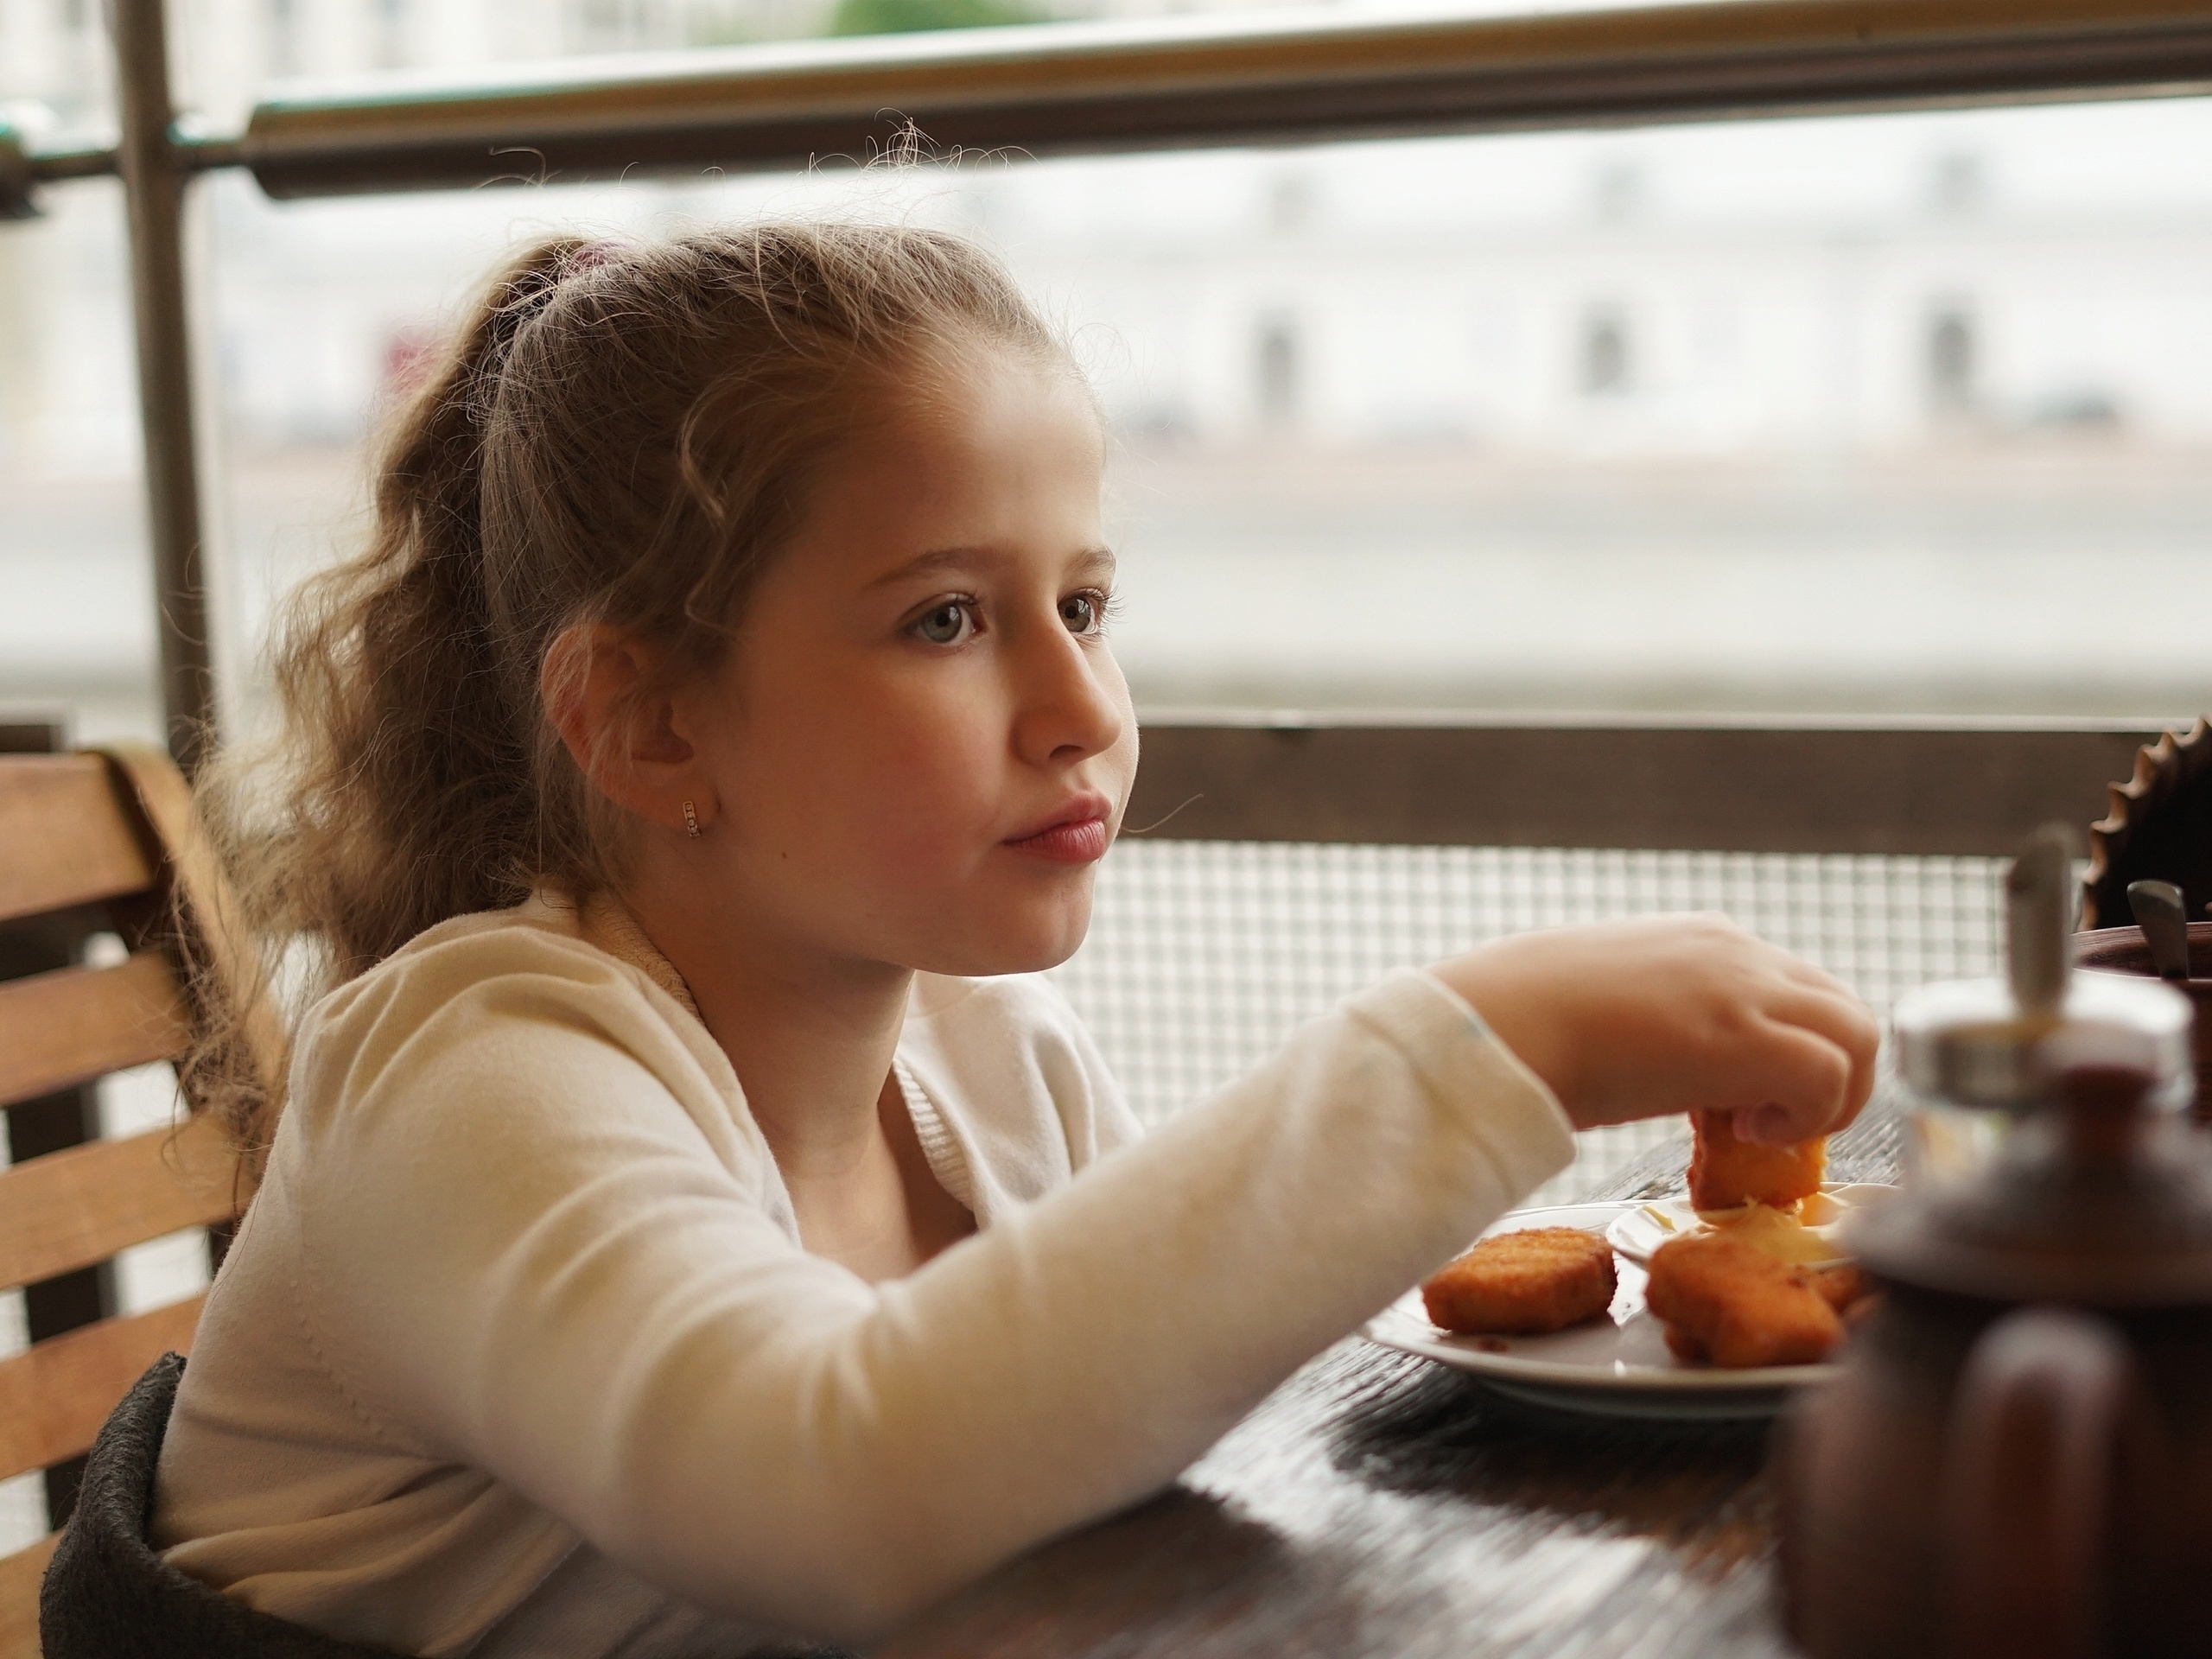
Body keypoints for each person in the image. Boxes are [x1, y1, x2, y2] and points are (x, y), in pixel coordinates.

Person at [150, 223, 1877, 1658]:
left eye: (1087, 605)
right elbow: (825, 1487)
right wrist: (1501, 1042)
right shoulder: (470, 1078)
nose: (1078, 707)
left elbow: (1145, 1419)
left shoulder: (985, 1058)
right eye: (946, 618)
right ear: (649, 725)